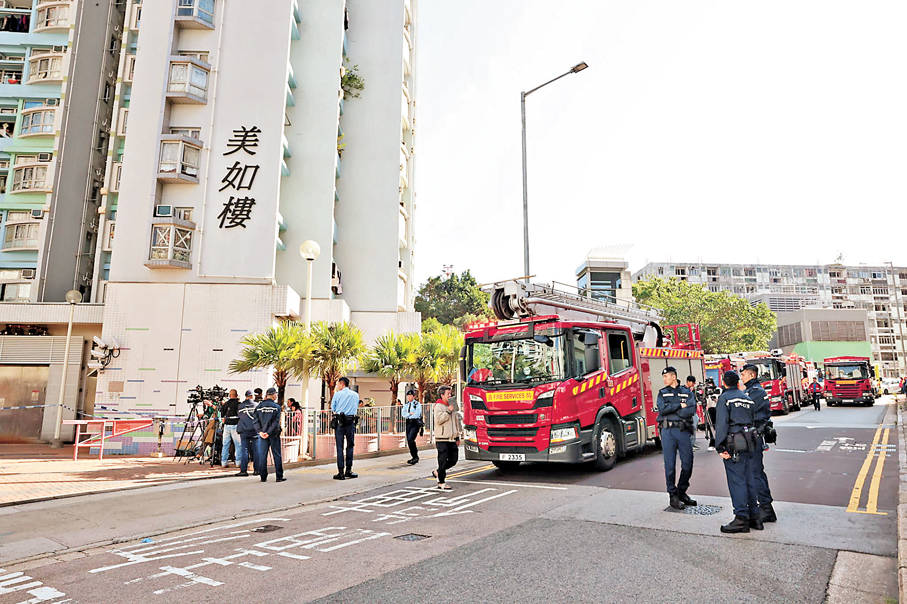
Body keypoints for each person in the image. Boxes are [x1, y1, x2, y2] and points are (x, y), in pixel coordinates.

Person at [714, 371, 759, 533]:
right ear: (737, 382)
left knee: (736, 481)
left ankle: (741, 518)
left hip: (733, 443)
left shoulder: (725, 399)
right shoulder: (747, 398)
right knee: (749, 479)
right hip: (749, 441)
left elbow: (721, 425)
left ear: (724, 383)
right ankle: (755, 517)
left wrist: (720, 447)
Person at [657, 366, 697, 510]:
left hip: (683, 430)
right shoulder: (662, 393)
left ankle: (682, 491)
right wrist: (680, 405)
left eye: (666, 376)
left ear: (674, 377)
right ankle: (673, 495)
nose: (664, 379)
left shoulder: (686, 392)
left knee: (688, 464)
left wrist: (675, 409)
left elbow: (691, 409)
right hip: (668, 432)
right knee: (669, 466)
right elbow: (662, 409)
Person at [741, 364, 776, 524]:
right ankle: (762, 507)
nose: (742, 377)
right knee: (755, 473)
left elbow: (747, 413)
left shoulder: (754, 392)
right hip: (753, 436)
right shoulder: (753, 390)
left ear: (752, 375)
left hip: (753, 437)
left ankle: (766, 509)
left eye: (744, 375)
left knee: (756, 473)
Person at [253, 388, 285, 483]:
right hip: (273, 434)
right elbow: (275, 422)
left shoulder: (259, 407)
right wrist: (269, 432)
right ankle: (279, 476)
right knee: (277, 455)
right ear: (274, 395)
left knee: (263, 455)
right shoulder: (276, 407)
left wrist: (260, 432)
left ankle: (263, 476)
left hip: (262, 435)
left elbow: (255, 420)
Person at [331, 377, 360, 480]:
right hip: (351, 422)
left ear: (342, 384)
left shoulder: (337, 394)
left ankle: (340, 472)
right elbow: (355, 407)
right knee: (350, 445)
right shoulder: (355, 395)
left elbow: (333, 408)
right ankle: (349, 470)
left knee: (340, 447)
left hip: (340, 423)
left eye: (339, 384)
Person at [432, 386, 461, 490]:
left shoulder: (451, 406)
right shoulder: (438, 406)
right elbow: (439, 420)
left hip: (452, 438)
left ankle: (438, 472)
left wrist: (457, 437)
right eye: (448, 394)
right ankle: (441, 483)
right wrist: (448, 411)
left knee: (454, 459)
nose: (450, 395)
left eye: (450, 393)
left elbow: (455, 422)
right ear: (442, 395)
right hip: (442, 438)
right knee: (442, 461)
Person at [236, 390, 258, 477]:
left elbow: (239, 416)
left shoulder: (240, 406)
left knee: (244, 450)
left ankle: (243, 470)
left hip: (244, 430)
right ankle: (257, 470)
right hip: (254, 430)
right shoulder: (256, 405)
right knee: (257, 451)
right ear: (252, 396)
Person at [220, 389, 242, 469]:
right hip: (235, 426)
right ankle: (238, 462)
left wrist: (224, 422)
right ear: (237, 395)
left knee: (225, 445)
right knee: (238, 445)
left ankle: (223, 462)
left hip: (227, 426)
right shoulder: (239, 404)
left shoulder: (226, 404)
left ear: (230, 395)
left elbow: (222, 415)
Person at [401, 389, 422, 465]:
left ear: (413, 396)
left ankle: (415, 456)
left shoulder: (417, 404)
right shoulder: (406, 405)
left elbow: (417, 414)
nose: (409, 397)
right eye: (408, 396)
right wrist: (410, 414)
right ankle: (414, 456)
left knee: (411, 439)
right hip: (408, 423)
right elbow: (403, 414)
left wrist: (409, 414)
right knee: (409, 440)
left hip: (415, 423)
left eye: (410, 396)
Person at [686, 376, 700, 452]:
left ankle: (693, 444)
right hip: (688, 413)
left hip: (693, 412)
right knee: (691, 428)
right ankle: (690, 445)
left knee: (694, 427)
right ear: (688, 382)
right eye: (693, 383)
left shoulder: (692, 390)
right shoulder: (684, 390)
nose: (693, 384)